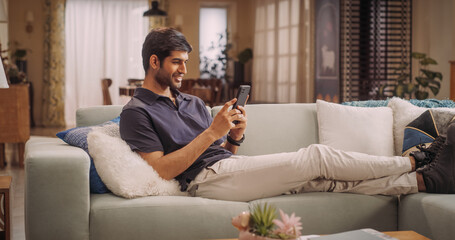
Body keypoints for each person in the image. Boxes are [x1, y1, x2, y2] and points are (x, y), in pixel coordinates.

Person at [120, 27, 455, 202]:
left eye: (185, 62)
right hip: (204, 183)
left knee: (326, 183)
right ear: (154, 62)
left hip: (228, 168)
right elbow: (160, 170)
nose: (183, 69)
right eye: (176, 61)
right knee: (318, 157)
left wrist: (234, 137)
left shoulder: (192, 102)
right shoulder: (137, 112)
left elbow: (222, 154)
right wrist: (211, 132)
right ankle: (414, 161)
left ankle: (423, 182)